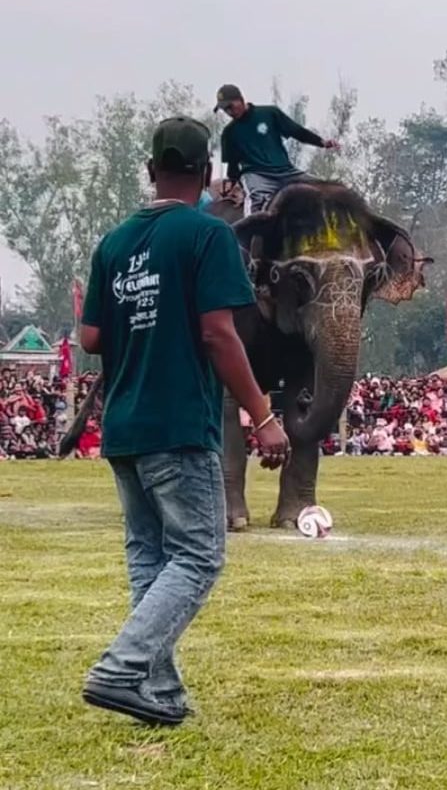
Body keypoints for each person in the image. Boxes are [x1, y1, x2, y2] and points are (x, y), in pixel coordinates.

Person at [78, 117, 290, 726]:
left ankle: (159, 694)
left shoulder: (113, 243)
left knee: (151, 558)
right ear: (207, 175)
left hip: (124, 424)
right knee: (199, 556)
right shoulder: (205, 236)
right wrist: (264, 416)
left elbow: (91, 335)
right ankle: (121, 667)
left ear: (149, 171)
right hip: (177, 423)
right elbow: (219, 333)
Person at [214, 83, 339, 215]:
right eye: (225, 109)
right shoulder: (229, 132)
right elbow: (233, 165)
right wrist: (232, 184)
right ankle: (249, 234)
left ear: (240, 99)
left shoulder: (269, 113)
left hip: (287, 171)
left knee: (326, 190)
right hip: (257, 175)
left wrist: (322, 142)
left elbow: (297, 131)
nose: (229, 112)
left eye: (230, 106)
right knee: (257, 199)